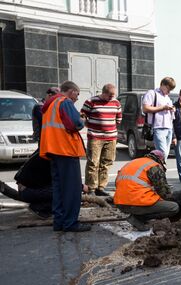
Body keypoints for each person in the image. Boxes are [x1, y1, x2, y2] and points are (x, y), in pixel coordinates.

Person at [39, 80, 90, 232]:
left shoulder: (50, 104)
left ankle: (59, 222)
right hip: (65, 150)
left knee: (59, 189)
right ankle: (70, 223)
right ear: (72, 91)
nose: (77, 98)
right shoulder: (65, 102)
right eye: (77, 94)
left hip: (53, 150)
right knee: (71, 189)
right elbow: (75, 124)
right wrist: (83, 120)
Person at [113, 150, 179, 231]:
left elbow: (118, 184)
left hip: (120, 204)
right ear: (160, 160)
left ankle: (136, 216)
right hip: (136, 204)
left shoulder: (132, 163)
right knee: (174, 207)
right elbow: (164, 193)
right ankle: (138, 218)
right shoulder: (154, 166)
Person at [81, 84, 122, 197]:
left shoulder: (116, 103)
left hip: (111, 137)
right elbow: (83, 115)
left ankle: (101, 187)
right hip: (95, 137)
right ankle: (91, 188)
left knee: (107, 162)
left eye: (113, 96)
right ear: (103, 93)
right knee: (93, 162)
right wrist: (89, 125)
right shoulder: (91, 101)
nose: (111, 98)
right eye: (109, 96)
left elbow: (118, 119)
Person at [142, 77, 176, 161]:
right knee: (162, 153)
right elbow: (145, 108)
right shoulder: (152, 93)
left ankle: (160, 171)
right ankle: (158, 170)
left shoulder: (167, 97)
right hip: (158, 127)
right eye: (168, 88)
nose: (169, 91)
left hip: (169, 128)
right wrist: (163, 108)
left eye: (171, 90)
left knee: (166, 154)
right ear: (162, 85)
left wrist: (172, 109)